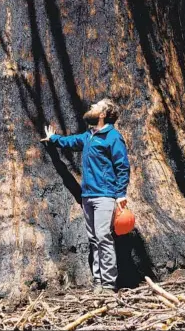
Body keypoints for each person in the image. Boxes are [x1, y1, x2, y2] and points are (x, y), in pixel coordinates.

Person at [41, 99, 130, 294]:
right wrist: (53, 139)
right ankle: (98, 281)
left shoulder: (113, 137)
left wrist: (121, 194)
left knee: (104, 237)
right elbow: (71, 142)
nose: (91, 107)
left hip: (105, 195)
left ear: (103, 113)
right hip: (87, 196)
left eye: (95, 106)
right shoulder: (89, 135)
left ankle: (108, 285)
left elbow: (122, 166)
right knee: (94, 239)